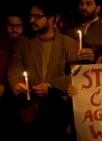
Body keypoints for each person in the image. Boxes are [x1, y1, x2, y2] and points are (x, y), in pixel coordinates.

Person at [7, 0, 79, 140]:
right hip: (29, 107)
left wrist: (51, 85)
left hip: (57, 110)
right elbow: (13, 69)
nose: (32, 20)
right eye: (31, 16)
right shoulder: (23, 43)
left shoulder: (69, 44)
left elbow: (76, 75)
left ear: (51, 19)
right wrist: (17, 84)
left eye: (37, 17)